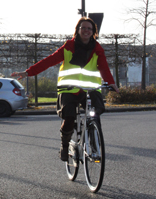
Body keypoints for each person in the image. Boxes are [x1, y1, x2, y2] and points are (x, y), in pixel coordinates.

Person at [11, 17, 119, 162]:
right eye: (83, 28)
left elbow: (104, 68)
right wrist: (27, 72)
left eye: (89, 28)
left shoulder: (97, 49)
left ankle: (94, 144)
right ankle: (65, 145)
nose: (86, 30)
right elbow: (49, 61)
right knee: (69, 117)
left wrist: (111, 83)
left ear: (93, 32)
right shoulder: (68, 47)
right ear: (78, 30)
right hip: (69, 89)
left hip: (91, 88)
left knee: (96, 112)